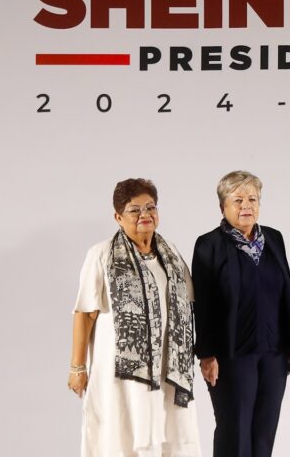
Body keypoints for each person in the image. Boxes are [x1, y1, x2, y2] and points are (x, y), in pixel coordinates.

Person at [68, 178, 200, 457]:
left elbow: (188, 304)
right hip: (122, 372)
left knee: (167, 433)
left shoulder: (171, 254)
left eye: (151, 207)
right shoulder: (102, 255)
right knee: (122, 432)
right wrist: (77, 368)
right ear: (118, 217)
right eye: (134, 210)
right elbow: (85, 313)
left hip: (167, 368)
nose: (145, 215)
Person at [192, 171, 290, 457]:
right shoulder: (209, 244)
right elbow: (202, 303)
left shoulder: (273, 239)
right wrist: (206, 354)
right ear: (223, 207)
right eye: (237, 200)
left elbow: (286, 291)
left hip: (274, 354)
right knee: (235, 433)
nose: (246, 206)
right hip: (231, 356)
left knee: (264, 434)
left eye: (252, 199)